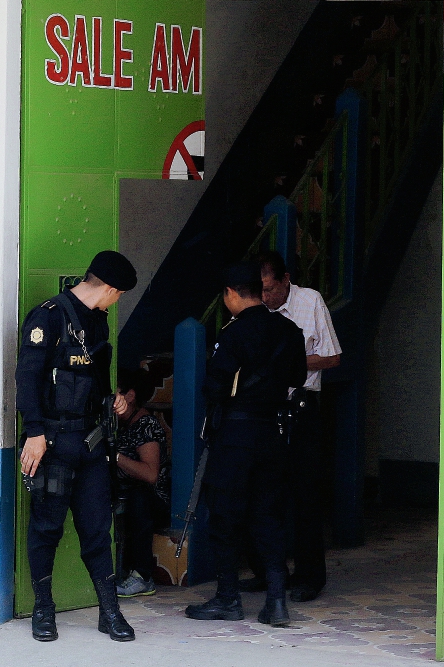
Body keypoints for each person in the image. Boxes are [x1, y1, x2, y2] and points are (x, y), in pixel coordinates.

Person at [16, 250, 138, 643]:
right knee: (46, 528)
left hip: (90, 443)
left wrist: (115, 398)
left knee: (96, 529)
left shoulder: (98, 323)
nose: (116, 302)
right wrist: (34, 433)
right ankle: (43, 609)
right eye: (118, 295)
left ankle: (109, 612)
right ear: (111, 289)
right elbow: (27, 377)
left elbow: (97, 377)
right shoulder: (48, 316)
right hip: (51, 441)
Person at [184, 262, 307, 627]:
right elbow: (299, 376)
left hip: (236, 438)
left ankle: (227, 600)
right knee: (269, 518)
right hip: (272, 433)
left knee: (225, 518)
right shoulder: (289, 329)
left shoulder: (233, 334)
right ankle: (277, 602)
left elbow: (216, 385)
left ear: (231, 295)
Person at [258, 249, 342, 603]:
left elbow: (333, 356)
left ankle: (310, 576)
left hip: (302, 406)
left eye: (271, 289)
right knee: (264, 494)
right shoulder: (255, 309)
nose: (266, 298)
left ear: (286, 280)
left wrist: (290, 361)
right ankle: (270, 572)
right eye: (260, 290)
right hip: (264, 409)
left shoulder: (310, 302)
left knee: (305, 495)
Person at [113, 371, 170, 599]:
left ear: (130, 396)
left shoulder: (147, 425)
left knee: (139, 499)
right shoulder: (120, 423)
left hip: (151, 499)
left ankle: (143, 576)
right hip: (124, 493)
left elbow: (150, 474)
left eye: (117, 394)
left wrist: (115, 457)